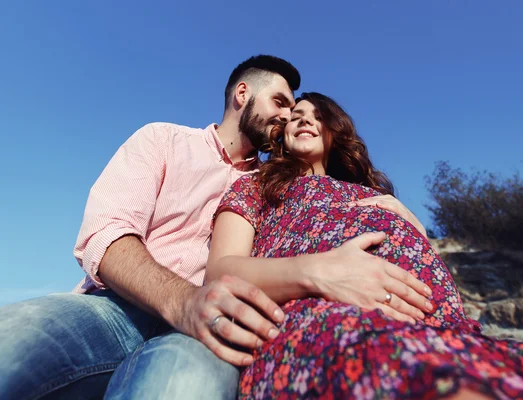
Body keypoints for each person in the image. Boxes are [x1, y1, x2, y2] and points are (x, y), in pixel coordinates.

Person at [0, 56, 432, 399]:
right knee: (15, 340)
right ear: (243, 94)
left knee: (183, 388)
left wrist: (392, 210)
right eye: (280, 102)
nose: (288, 116)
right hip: (114, 308)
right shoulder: (163, 140)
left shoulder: (275, 186)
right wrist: (183, 300)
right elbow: (107, 234)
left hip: (213, 332)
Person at [207, 92, 523, 399]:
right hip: (319, 317)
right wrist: (318, 271)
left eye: (317, 116)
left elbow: (424, 256)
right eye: (295, 116)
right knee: (422, 377)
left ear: (333, 132)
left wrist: (409, 223)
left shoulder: (372, 193)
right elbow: (219, 273)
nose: (305, 119)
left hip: (438, 325)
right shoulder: (256, 187)